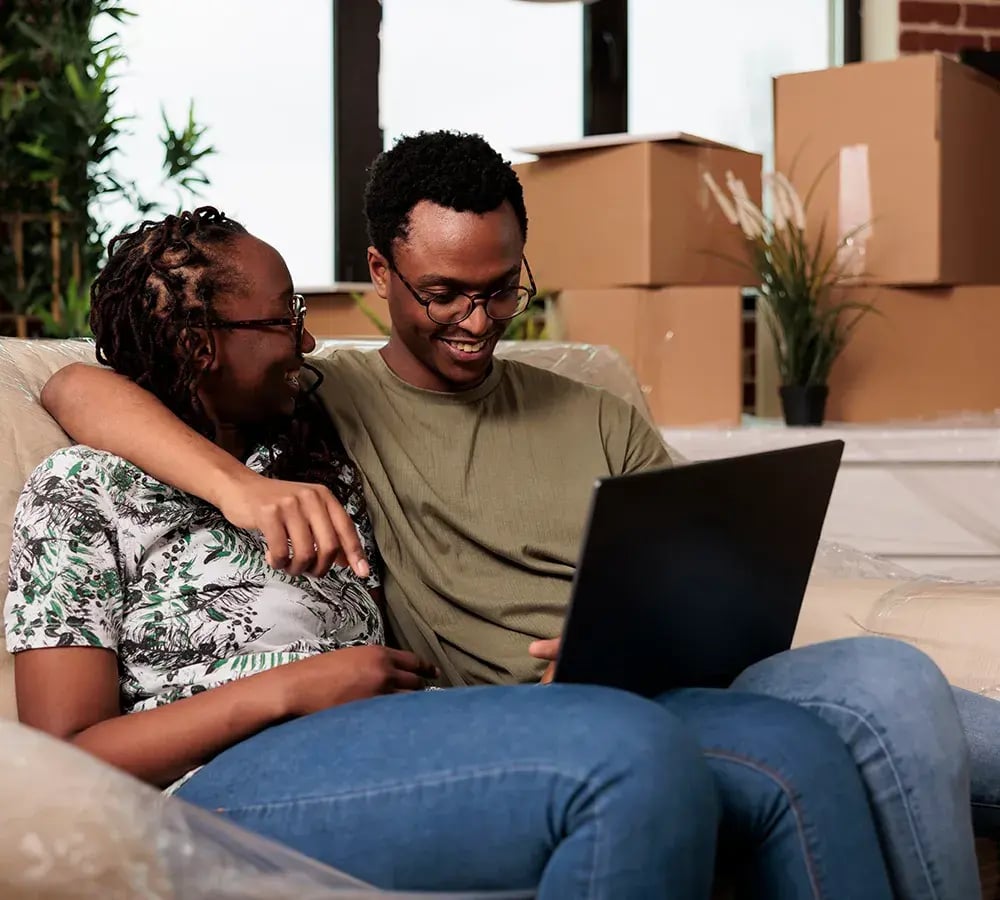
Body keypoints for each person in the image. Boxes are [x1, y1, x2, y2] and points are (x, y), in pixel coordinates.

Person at [35, 132, 979, 897]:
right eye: (286, 321)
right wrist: (293, 665)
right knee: (651, 753)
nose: (307, 340)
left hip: (423, 723)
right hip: (263, 762)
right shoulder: (131, 475)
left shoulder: (305, 440)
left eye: (501, 291)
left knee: (865, 703)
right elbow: (78, 385)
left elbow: (702, 567)